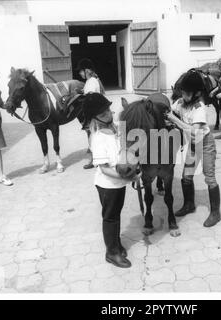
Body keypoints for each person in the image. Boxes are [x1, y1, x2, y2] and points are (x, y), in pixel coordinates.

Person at [82, 92, 139, 268]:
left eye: (108, 110)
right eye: (103, 113)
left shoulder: (115, 128)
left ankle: (116, 244)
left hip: (118, 184)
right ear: (95, 118)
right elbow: (105, 169)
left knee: (116, 215)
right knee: (110, 218)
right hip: (108, 186)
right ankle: (111, 253)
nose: (108, 114)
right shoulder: (98, 137)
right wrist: (129, 176)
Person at [165, 70, 221, 228]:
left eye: (187, 93)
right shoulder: (181, 103)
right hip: (194, 144)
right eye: (182, 92)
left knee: (209, 177)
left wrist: (174, 119)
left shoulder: (199, 108)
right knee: (186, 177)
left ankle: (216, 213)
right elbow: (170, 112)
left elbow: (194, 131)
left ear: (196, 93)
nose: (183, 95)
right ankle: (189, 205)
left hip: (206, 143)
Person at [77, 58, 106, 170]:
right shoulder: (91, 81)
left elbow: (92, 97)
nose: (79, 73)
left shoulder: (92, 81)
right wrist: (80, 92)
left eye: (81, 71)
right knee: (93, 136)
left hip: (93, 113)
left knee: (93, 137)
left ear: (87, 70)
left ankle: (94, 160)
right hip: (93, 112)